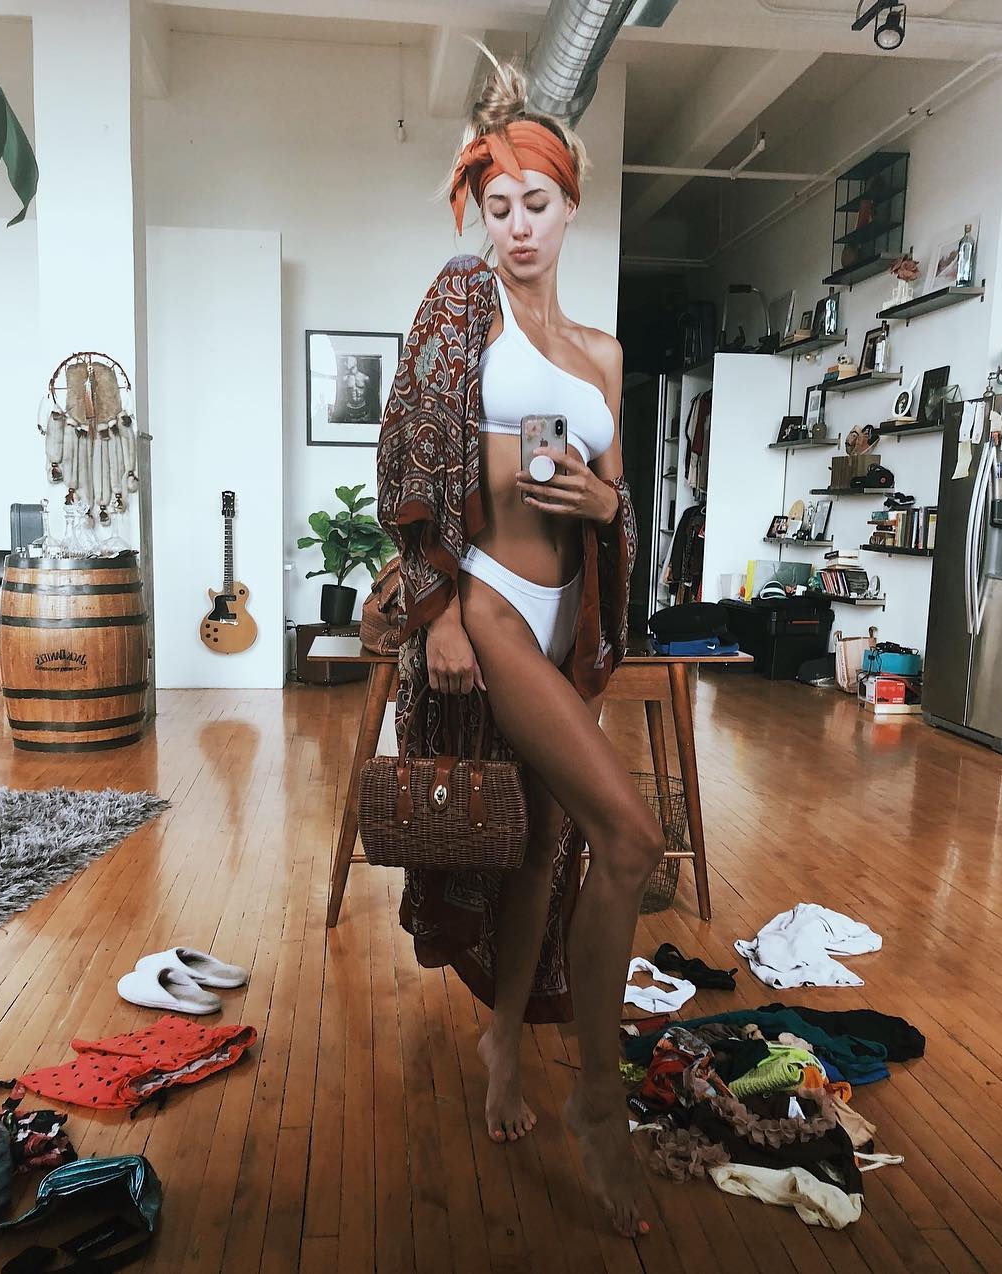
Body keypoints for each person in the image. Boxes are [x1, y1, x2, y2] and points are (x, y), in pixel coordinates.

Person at [376, 58, 665, 1241]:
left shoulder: (601, 354)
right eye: (497, 207)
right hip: (493, 604)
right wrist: (440, 610)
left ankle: (503, 1039)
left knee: (546, 841)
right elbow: (406, 446)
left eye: (536, 204)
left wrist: (607, 504)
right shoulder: (464, 308)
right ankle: (598, 1097)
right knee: (632, 836)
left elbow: (615, 499)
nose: (517, 227)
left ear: (570, 202)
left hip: (565, 622)